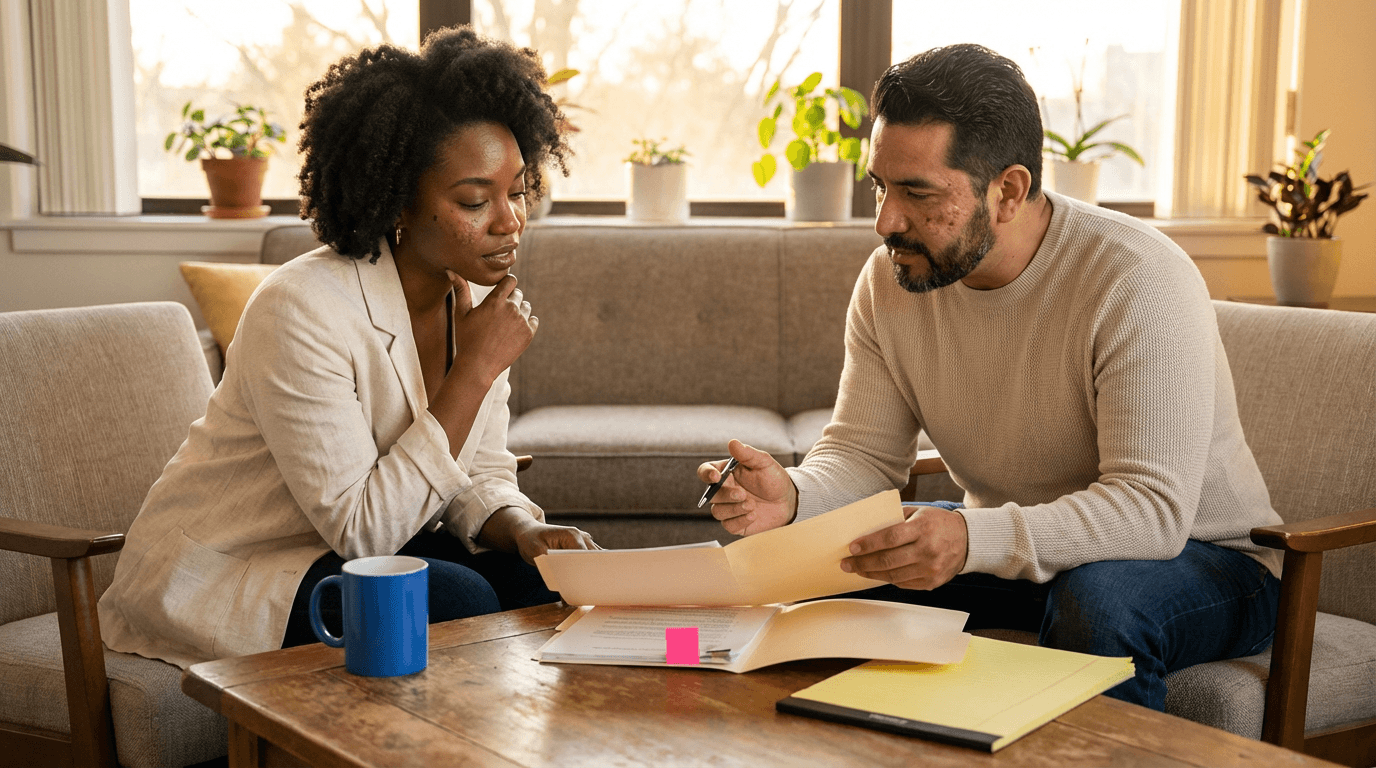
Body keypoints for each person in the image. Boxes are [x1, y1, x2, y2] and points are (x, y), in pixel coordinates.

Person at [698, 43, 1282, 710]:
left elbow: (1150, 513)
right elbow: (863, 457)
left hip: (1206, 560)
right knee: (816, 567)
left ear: (1007, 191)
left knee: (1099, 602)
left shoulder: (1135, 278)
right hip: (1017, 541)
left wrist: (972, 537)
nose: (886, 221)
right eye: (880, 186)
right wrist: (793, 497)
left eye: (917, 193)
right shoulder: (891, 280)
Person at [98, 27, 596, 668]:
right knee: (454, 598)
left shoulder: (468, 300)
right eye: (475, 200)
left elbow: (476, 473)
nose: (510, 220)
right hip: (238, 564)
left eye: (518, 190)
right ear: (398, 202)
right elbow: (363, 531)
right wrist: (473, 368)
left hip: (346, 548)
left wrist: (526, 531)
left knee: (544, 582)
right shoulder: (301, 306)